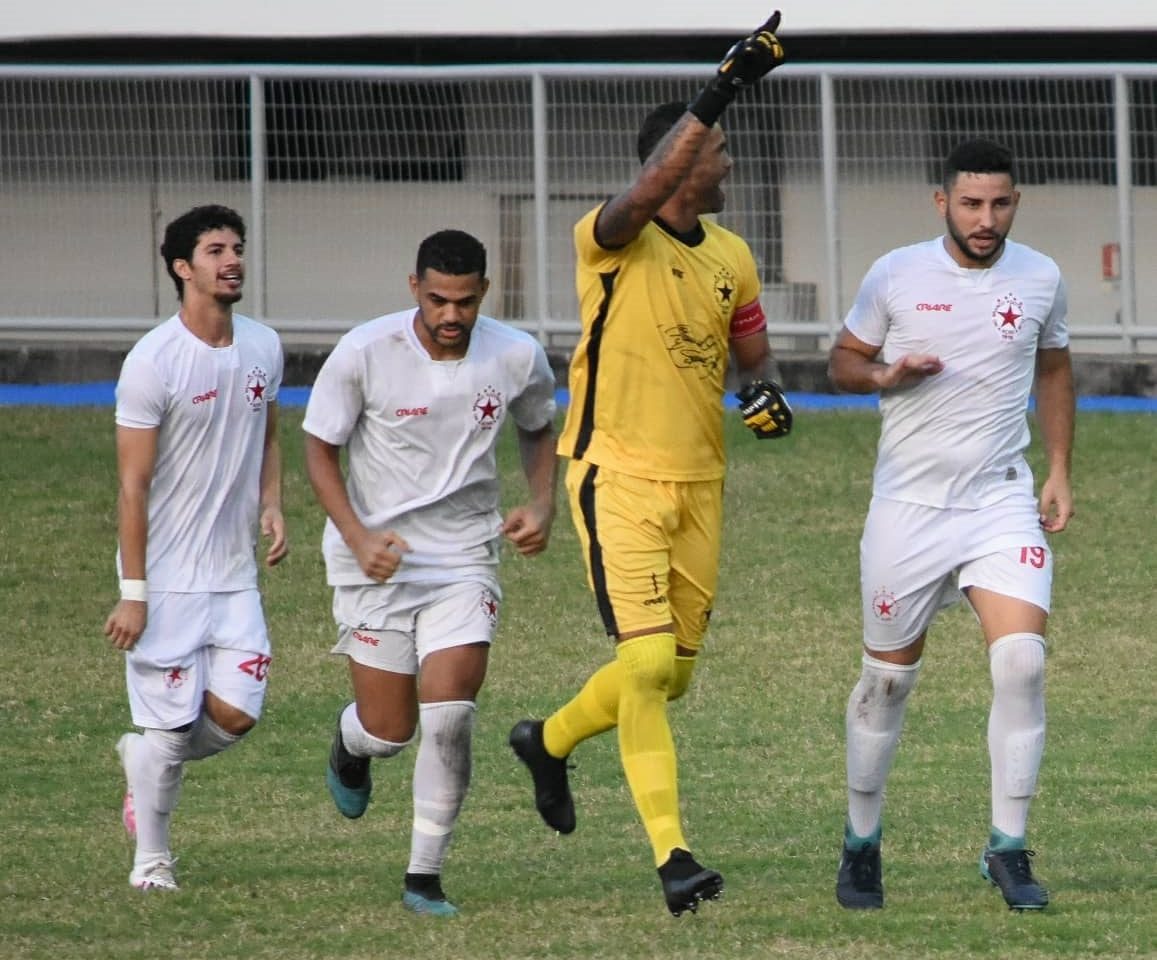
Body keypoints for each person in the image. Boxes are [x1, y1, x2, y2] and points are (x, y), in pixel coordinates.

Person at [508, 13, 792, 918]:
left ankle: (549, 741)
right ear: (681, 161)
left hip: (699, 487)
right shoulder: (612, 237)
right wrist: (722, 88)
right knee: (644, 664)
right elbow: (644, 191)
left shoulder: (733, 257)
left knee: (672, 676)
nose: (728, 163)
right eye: (717, 152)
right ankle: (673, 856)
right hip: (616, 475)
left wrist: (764, 397)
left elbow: (754, 356)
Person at [828, 137, 1074, 912]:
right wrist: (884, 374)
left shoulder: (1040, 277)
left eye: (998, 203)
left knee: (1021, 663)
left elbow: (1054, 367)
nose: (984, 218)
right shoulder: (894, 273)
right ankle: (860, 845)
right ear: (942, 202)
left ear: (1015, 202)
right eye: (969, 203)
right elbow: (841, 361)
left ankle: (1007, 849)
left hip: (999, 501)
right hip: (907, 508)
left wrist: (1057, 469)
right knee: (886, 682)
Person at [303, 229, 558, 917]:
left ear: (484, 292)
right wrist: (357, 537)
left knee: (450, 715)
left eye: (465, 302)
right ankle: (351, 744)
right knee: (390, 732)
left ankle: (424, 876)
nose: (452, 315)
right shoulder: (364, 352)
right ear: (413, 287)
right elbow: (319, 449)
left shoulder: (515, 354)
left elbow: (537, 425)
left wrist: (542, 503)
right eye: (438, 299)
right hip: (376, 562)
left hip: (464, 556)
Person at [104, 204, 288, 892]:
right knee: (169, 728)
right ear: (183, 268)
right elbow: (132, 486)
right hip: (167, 577)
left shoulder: (264, 346)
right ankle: (151, 862)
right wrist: (135, 593)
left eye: (236, 247)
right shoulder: (152, 363)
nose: (232, 259)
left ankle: (145, 764)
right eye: (215, 250)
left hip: (233, 573)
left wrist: (272, 502)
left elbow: (268, 429)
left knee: (236, 715)